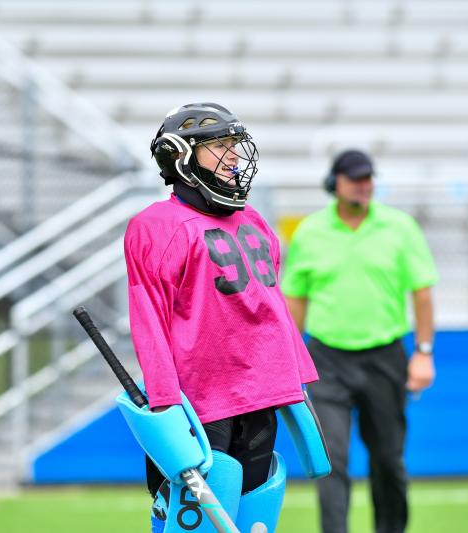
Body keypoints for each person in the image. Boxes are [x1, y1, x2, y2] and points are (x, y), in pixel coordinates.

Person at [124, 102, 324, 533]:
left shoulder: (252, 219)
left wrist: (295, 379)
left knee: (254, 520)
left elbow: (271, 306)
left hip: (261, 393)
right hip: (201, 402)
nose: (233, 155)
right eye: (219, 146)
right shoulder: (157, 225)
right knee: (192, 524)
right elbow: (149, 319)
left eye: (234, 143)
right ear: (180, 157)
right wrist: (164, 402)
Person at [282, 149, 437, 533]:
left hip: (384, 356)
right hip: (327, 359)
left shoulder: (399, 227)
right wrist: (289, 358)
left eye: (369, 178)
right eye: (355, 179)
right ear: (335, 184)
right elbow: (296, 300)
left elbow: (422, 292)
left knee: (388, 459)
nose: (365, 186)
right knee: (330, 460)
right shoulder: (311, 232)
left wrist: (423, 353)